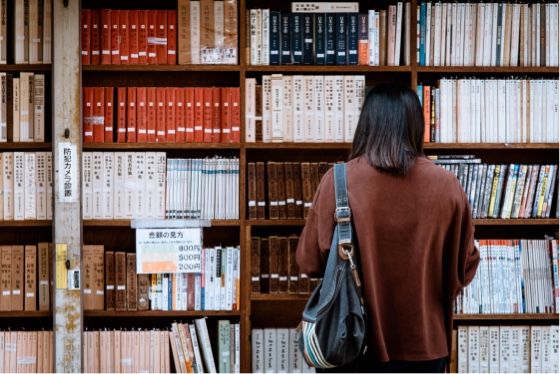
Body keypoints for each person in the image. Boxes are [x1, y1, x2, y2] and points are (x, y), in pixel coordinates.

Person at [296, 83, 480, 373]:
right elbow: (465, 268)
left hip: (349, 342)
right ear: (416, 125)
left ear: (366, 124)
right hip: (425, 346)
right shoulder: (448, 186)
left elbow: (308, 262)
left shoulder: (338, 181)